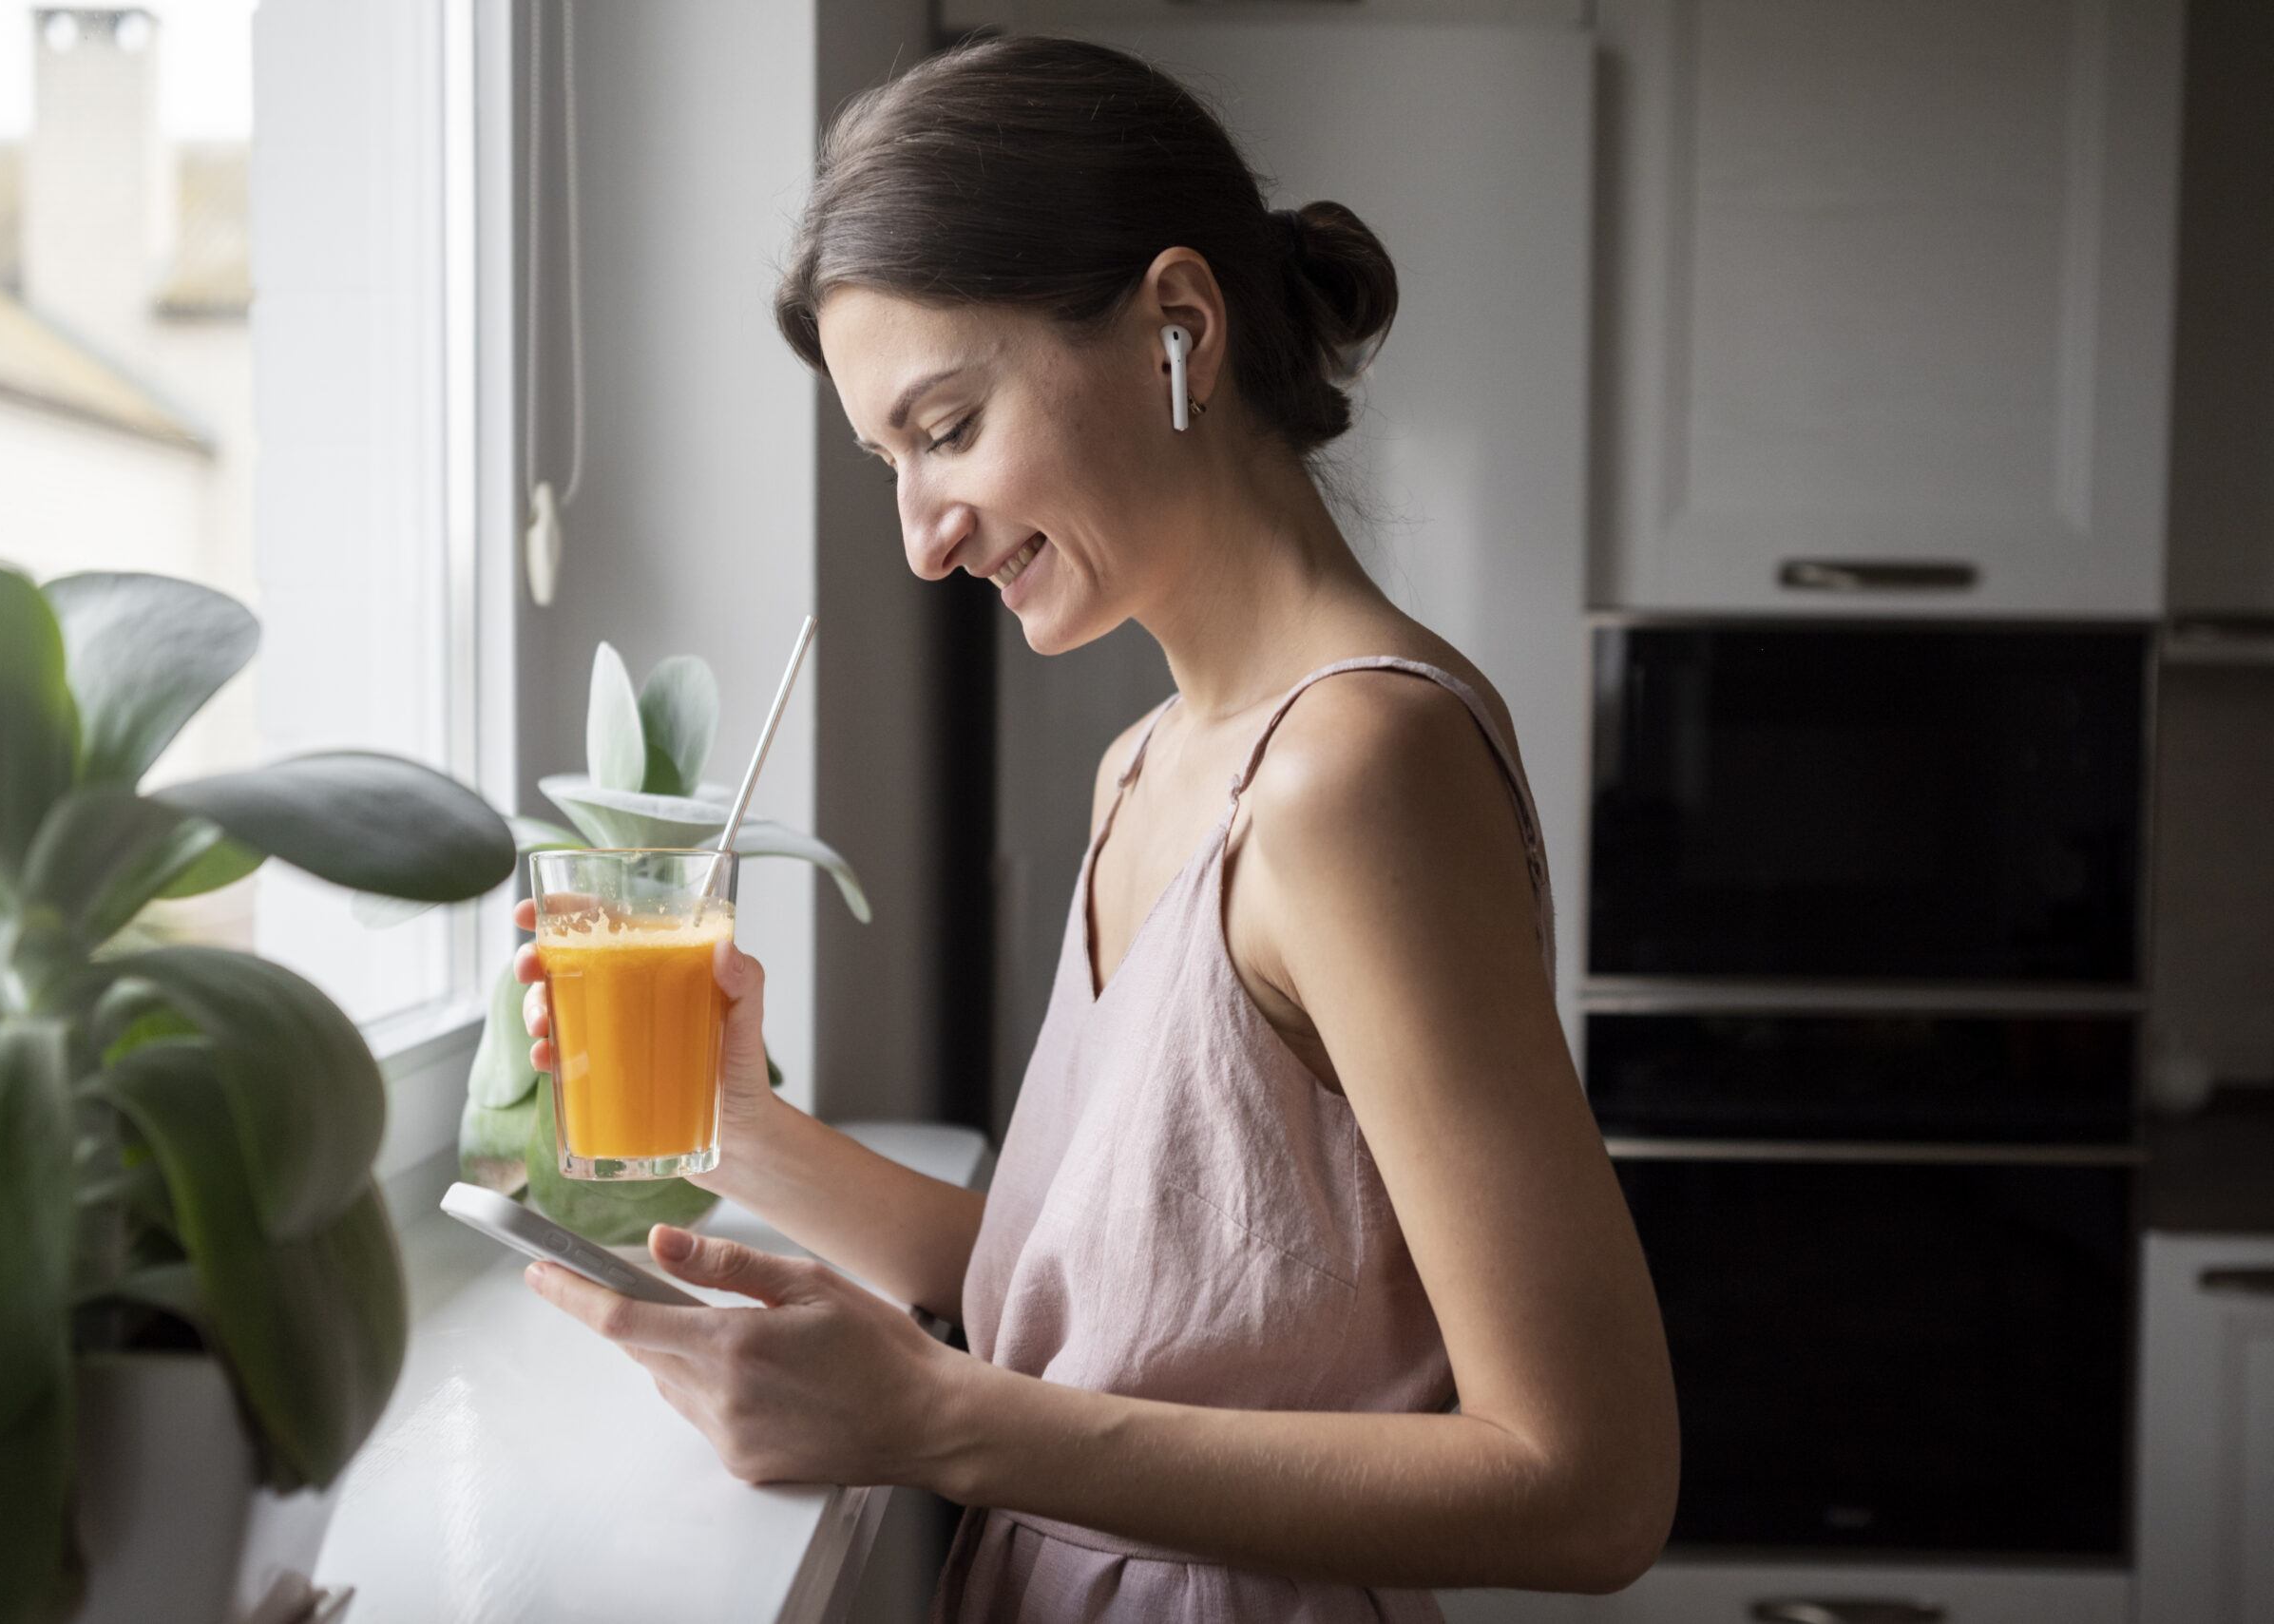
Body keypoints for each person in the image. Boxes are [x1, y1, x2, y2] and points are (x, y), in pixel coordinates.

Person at [513, 34, 1678, 1623]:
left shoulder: (1354, 770)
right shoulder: (1144, 764)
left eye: (947, 427)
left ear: (1176, 329)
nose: (923, 540)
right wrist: (735, 1126)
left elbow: (1590, 1477)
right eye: (888, 463)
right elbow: (1142, 1296)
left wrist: (932, 1418)